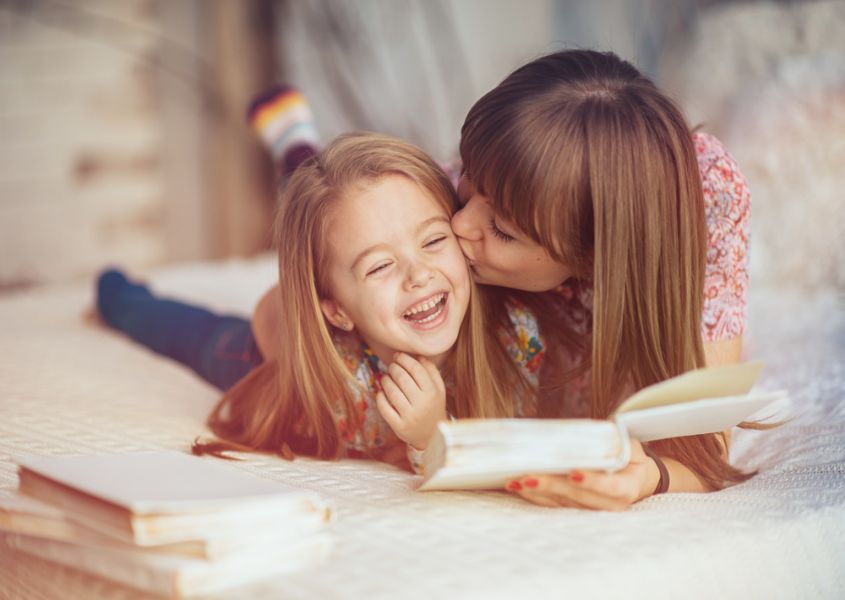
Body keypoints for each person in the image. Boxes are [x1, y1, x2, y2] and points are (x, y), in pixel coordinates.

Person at [96, 133, 541, 471]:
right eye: (379, 267)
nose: (419, 274)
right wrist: (430, 436)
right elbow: (450, 465)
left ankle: (299, 161)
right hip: (273, 344)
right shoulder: (336, 385)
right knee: (183, 331)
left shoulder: (517, 333)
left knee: (334, 207)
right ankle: (118, 294)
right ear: (336, 309)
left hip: (326, 298)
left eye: (434, 239)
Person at [448, 49, 755, 509]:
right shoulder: (499, 177)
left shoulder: (706, 199)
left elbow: (704, 443)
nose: (459, 226)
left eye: (501, 230)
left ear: (594, 258)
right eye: (469, 177)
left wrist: (650, 477)